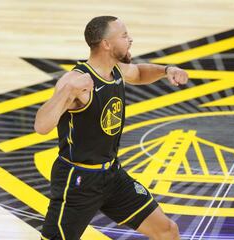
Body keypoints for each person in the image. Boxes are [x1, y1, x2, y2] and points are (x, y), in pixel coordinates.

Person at [34, 15, 188, 240]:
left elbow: (138, 72)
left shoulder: (117, 70)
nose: (130, 40)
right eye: (124, 36)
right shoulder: (76, 82)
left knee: (167, 231)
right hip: (78, 181)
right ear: (106, 44)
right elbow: (41, 125)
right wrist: (66, 92)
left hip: (111, 175)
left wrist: (166, 70)